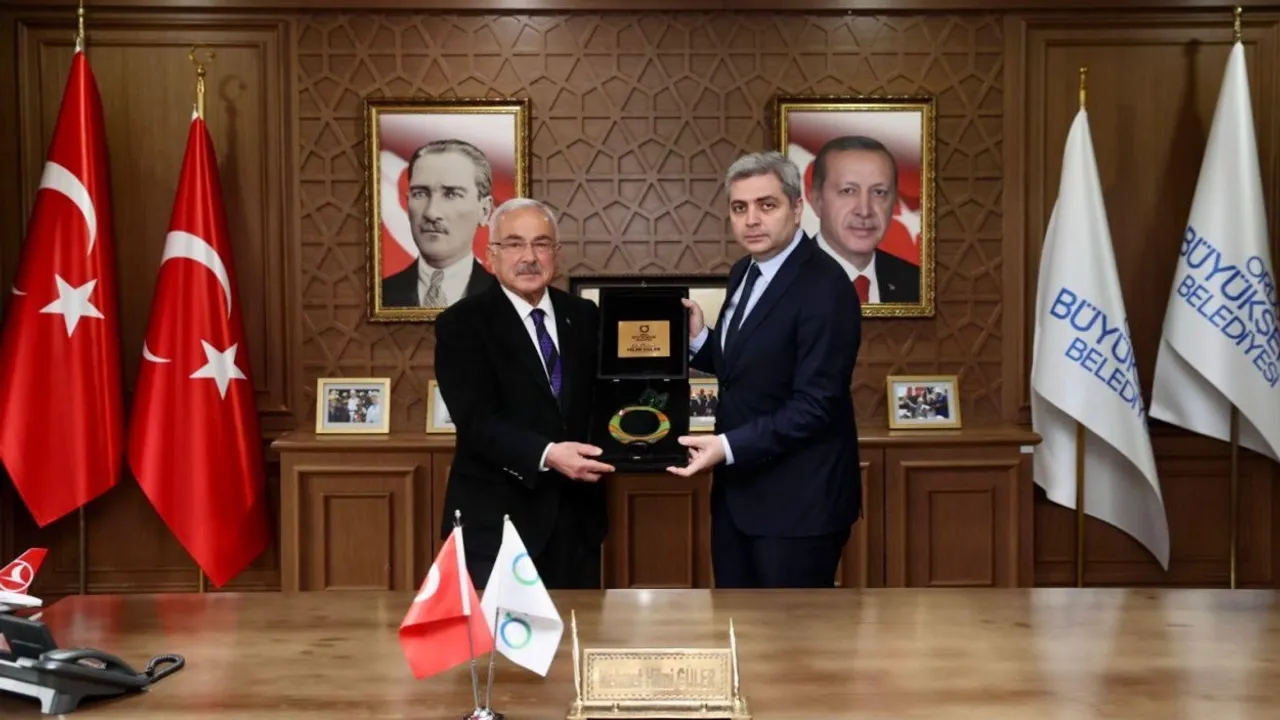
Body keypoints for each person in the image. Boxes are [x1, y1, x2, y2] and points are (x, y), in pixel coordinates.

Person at [668, 151, 862, 589]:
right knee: (736, 623)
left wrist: (725, 447)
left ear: (797, 208)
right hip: (739, 497)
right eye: (740, 207)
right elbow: (746, 370)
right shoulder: (745, 271)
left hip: (798, 507)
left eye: (766, 205)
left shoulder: (826, 285)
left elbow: (815, 405)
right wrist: (701, 340)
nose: (752, 219)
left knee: (790, 632)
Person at [433, 197, 614, 590]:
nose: (529, 257)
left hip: (577, 522)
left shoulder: (584, 316)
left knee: (576, 627)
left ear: (556, 253)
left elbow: (606, 400)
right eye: (514, 244)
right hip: (497, 523)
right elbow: (476, 420)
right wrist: (548, 455)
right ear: (490, 256)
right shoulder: (461, 324)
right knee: (499, 632)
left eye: (541, 244)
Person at [383, 139, 497, 308]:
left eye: (451, 195)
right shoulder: (379, 294)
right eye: (420, 194)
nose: (431, 212)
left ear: (485, 211)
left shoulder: (510, 301)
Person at [809, 135, 920, 304]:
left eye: (879, 192)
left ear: (893, 203)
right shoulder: (781, 281)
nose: (864, 211)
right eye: (848, 191)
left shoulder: (918, 284)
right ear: (817, 201)